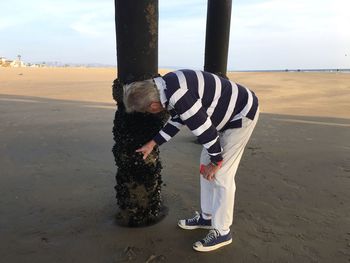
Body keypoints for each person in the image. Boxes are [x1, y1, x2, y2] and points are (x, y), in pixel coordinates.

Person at [123, 69, 259, 252]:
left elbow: (207, 132)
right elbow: (178, 120)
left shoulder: (179, 96)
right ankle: (208, 216)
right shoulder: (165, 86)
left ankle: (223, 231)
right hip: (223, 116)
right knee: (205, 165)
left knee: (222, 175)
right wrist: (153, 143)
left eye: (147, 110)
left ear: (153, 104)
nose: (150, 112)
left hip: (241, 114)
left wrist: (216, 162)